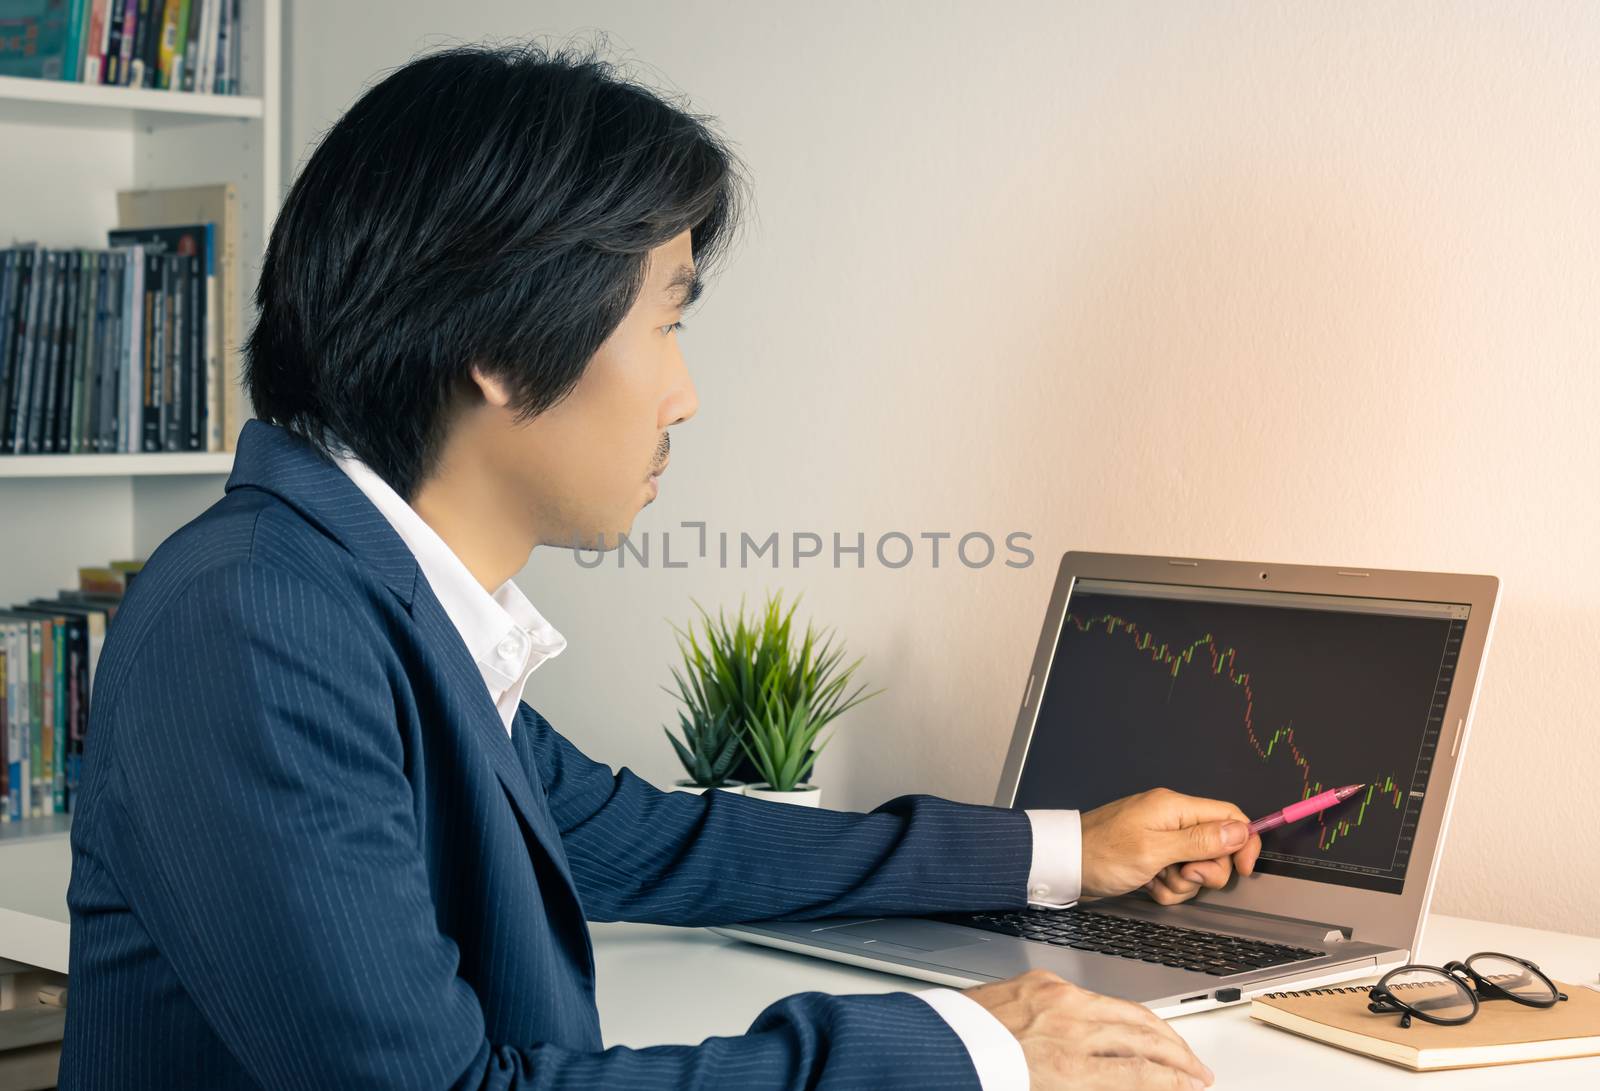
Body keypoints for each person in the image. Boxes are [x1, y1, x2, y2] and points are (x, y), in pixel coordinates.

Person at [59, 41, 1262, 1091]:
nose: (682, 395)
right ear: (495, 338)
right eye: (667, 320)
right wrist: (964, 1046)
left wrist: (1064, 848)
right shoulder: (258, 624)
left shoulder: (367, 603)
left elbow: (658, 842)